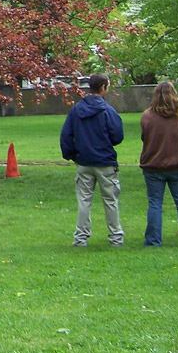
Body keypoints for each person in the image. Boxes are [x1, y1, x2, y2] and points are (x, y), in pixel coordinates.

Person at [60, 73, 125, 247]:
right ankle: (116, 237)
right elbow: (118, 135)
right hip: (105, 161)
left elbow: (66, 135)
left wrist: (72, 155)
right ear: (103, 87)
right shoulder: (108, 111)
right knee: (110, 200)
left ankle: (81, 238)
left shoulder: (76, 110)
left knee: (84, 201)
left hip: (84, 161)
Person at [140, 81, 178, 248]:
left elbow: (144, 135)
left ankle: (153, 240)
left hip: (154, 164)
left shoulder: (147, 116)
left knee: (155, 202)